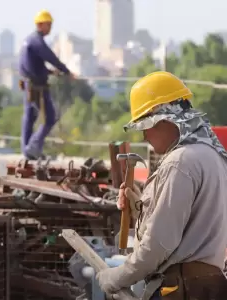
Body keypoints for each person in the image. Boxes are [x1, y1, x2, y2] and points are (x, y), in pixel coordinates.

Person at [96, 71, 227, 299]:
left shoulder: (180, 162)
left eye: (146, 126)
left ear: (166, 119)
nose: (145, 135)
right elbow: (189, 228)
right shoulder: (212, 156)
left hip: (180, 290)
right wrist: (141, 206)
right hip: (207, 289)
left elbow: (157, 246)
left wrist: (114, 277)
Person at [18, 10, 74, 159]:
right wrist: (66, 71)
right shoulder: (37, 41)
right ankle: (33, 147)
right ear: (40, 24)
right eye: (48, 24)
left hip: (29, 84)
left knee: (29, 117)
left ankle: (27, 151)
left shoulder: (29, 40)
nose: (50, 28)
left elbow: (32, 64)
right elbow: (50, 57)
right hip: (36, 87)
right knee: (50, 117)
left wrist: (48, 72)